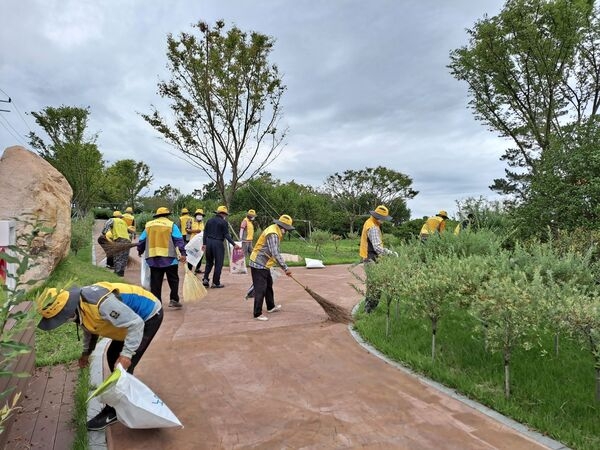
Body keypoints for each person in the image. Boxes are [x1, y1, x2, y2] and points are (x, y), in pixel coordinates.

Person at [36, 282, 163, 431]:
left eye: (60, 319)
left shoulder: (101, 304)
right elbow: (90, 328)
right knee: (112, 355)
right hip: (130, 320)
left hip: (148, 316)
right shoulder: (80, 306)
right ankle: (125, 396)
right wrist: (86, 353)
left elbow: (136, 324)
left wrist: (127, 354)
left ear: (67, 311)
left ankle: (113, 411)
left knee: (122, 366)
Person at [137, 207, 187, 308]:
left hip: (153, 257)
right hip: (170, 258)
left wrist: (140, 250)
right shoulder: (171, 225)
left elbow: (142, 240)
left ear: (157, 215)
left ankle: (157, 302)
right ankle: (173, 299)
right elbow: (178, 240)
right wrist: (183, 253)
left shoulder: (149, 225)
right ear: (167, 215)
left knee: (155, 281)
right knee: (173, 279)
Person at [249, 214, 294, 321]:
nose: (287, 231)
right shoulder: (273, 233)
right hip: (258, 263)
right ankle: (257, 313)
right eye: (287, 229)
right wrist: (285, 268)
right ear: (282, 227)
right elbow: (275, 252)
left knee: (268, 284)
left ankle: (270, 306)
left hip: (265, 264)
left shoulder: (276, 230)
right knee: (261, 288)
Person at [359, 205, 395, 313]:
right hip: (371, 258)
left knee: (372, 285)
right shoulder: (373, 227)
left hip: (368, 256)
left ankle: (368, 310)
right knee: (376, 285)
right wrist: (392, 254)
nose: (384, 221)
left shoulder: (370, 221)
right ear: (378, 217)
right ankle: (369, 311)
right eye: (383, 219)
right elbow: (378, 248)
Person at [201, 206, 240, 288]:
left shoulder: (209, 221)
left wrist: (204, 244)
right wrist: (234, 244)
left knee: (209, 262)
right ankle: (216, 282)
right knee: (219, 263)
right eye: (225, 214)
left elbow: (205, 233)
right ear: (223, 214)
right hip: (218, 243)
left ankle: (205, 279)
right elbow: (226, 235)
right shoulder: (223, 222)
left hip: (208, 242)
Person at [102, 211, 131, 277]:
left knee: (117, 256)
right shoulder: (123, 222)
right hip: (127, 241)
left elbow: (106, 226)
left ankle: (116, 273)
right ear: (120, 216)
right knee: (124, 257)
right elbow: (127, 230)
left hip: (119, 240)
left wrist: (104, 233)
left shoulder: (112, 220)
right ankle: (121, 273)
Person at [186, 208, 205, 273]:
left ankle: (197, 268)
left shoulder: (202, 222)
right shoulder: (190, 220)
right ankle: (189, 269)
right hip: (193, 241)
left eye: (201, 215)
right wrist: (196, 231)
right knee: (191, 255)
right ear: (196, 215)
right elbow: (187, 230)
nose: (200, 216)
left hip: (201, 242)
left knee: (200, 255)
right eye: (198, 214)